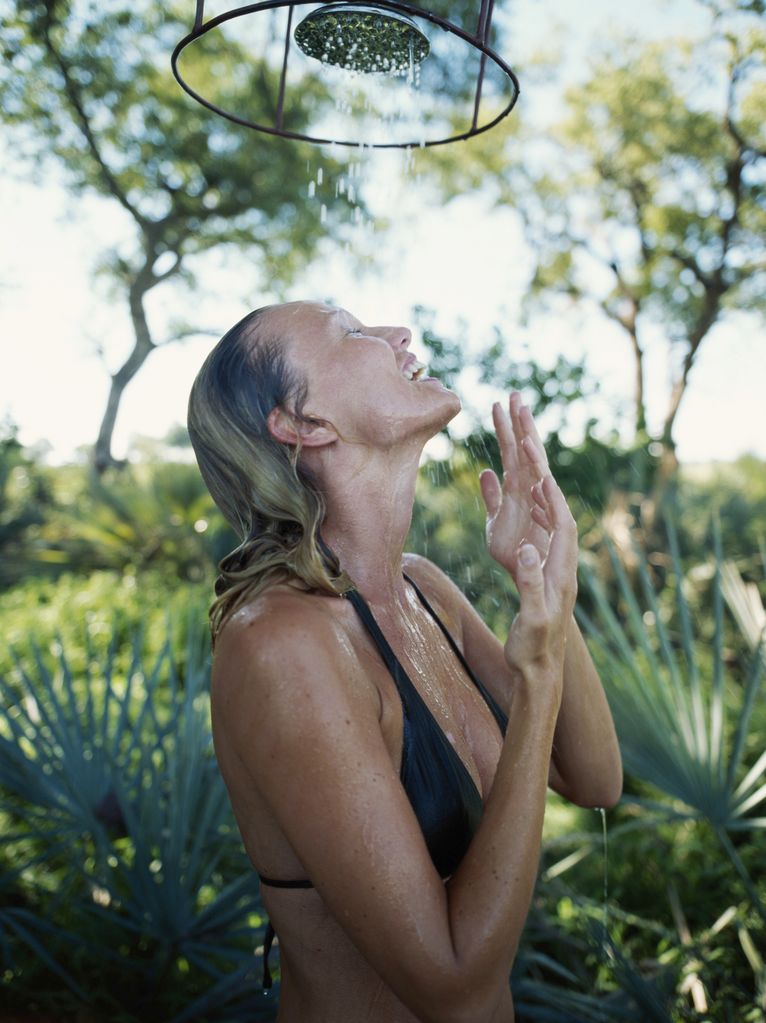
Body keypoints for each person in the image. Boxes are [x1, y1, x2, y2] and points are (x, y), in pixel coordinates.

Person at [187, 300, 622, 1023]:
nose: (399, 335)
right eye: (350, 333)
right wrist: (537, 680)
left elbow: (595, 778)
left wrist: (540, 578)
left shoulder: (423, 589)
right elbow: (451, 987)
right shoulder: (282, 642)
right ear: (303, 425)